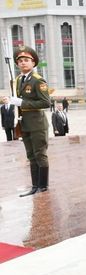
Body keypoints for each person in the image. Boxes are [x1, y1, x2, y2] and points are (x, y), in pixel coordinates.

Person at [1, 46, 51, 196]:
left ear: (33, 62)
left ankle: (43, 186)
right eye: (20, 61)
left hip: (37, 124)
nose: (23, 63)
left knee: (40, 154)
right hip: (24, 124)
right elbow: (17, 101)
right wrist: (9, 100)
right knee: (30, 155)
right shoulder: (17, 80)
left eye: (26, 60)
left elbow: (46, 103)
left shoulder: (38, 80)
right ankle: (34, 185)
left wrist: (22, 103)